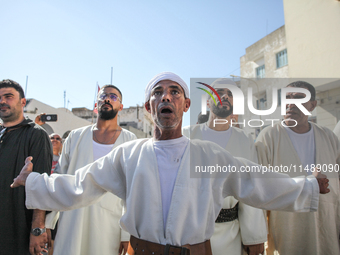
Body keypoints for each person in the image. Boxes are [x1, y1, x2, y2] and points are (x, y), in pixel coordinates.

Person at [11, 72, 330, 255]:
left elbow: (257, 182)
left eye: (174, 92)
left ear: (186, 104)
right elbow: (82, 183)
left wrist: (307, 186)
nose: (166, 97)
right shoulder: (129, 154)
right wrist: (35, 181)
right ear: (149, 106)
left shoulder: (209, 156)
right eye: (158, 93)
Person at [45, 85, 136, 255]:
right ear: (96, 103)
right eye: (103, 96)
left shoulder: (129, 140)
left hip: (109, 225)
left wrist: (126, 234)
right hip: (73, 221)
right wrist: (48, 223)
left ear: (121, 107)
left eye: (113, 97)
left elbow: (132, 189)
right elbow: (58, 179)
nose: (107, 99)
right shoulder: (75, 136)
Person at [255, 81, 340, 255]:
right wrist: (257, 236)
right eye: (287, 97)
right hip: (286, 232)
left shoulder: (329, 137)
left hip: (327, 229)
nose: (291, 103)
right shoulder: (268, 137)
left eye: (300, 97)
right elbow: (258, 189)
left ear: (313, 105)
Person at [183, 78, 266, 255]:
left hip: (231, 235)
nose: (225, 97)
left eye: (231, 94)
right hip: (189, 233)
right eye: (219, 93)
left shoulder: (245, 140)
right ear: (207, 101)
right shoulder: (187, 135)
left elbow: (251, 187)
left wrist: (254, 237)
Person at [0, 79, 52, 255]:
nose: (2, 101)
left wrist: (37, 229)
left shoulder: (36, 134)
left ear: (23, 102)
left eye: (8, 97)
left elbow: (42, 187)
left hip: (18, 231)